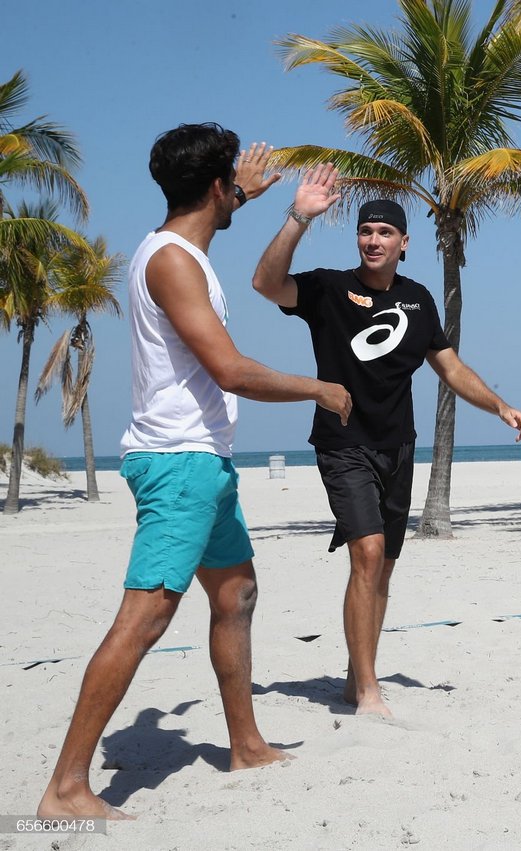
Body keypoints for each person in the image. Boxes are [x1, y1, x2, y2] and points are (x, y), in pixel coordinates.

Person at [37, 124, 353, 819]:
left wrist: (261, 198)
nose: (234, 192)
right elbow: (230, 369)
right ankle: (64, 787)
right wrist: (319, 387)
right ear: (213, 187)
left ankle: (245, 743)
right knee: (145, 617)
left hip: (204, 462)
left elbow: (209, 222)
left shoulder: (179, 241)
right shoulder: (173, 262)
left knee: (236, 592)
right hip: (178, 464)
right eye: (229, 185)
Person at [252, 169, 521, 718]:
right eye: (365, 231)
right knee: (367, 554)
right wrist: (299, 216)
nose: (373, 240)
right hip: (342, 443)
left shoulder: (419, 300)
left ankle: (358, 677)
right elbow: (265, 282)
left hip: (398, 446)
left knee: (384, 569)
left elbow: (450, 368)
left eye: (384, 232)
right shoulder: (328, 288)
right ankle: (370, 692)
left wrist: (497, 404)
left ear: (405, 243)